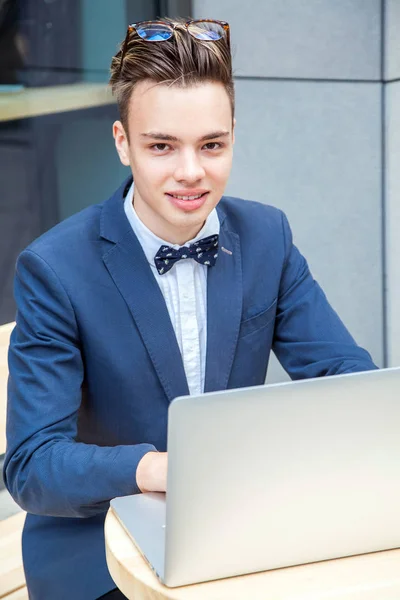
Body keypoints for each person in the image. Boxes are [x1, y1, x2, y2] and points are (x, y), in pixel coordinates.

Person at [3, 17, 377, 600]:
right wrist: (158, 469)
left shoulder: (268, 236)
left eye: (211, 145)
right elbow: (31, 465)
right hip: (99, 552)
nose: (190, 172)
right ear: (123, 142)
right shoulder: (54, 269)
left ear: (233, 135)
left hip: (241, 531)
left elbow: (349, 382)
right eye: (161, 146)